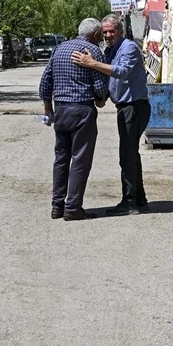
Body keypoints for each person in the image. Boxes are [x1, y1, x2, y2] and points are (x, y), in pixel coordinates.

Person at [71, 13, 150, 215]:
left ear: (121, 31)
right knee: (131, 153)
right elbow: (109, 78)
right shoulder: (110, 50)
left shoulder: (129, 48)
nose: (107, 35)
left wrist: (92, 63)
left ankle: (129, 203)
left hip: (134, 107)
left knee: (127, 155)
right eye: (105, 32)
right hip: (124, 107)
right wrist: (102, 96)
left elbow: (121, 72)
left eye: (111, 31)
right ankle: (139, 198)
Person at [39, 18, 109, 221]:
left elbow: (46, 80)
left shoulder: (59, 48)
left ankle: (57, 206)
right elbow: (99, 85)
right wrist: (101, 99)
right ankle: (73, 207)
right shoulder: (93, 52)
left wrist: (48, 109)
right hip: (82, 111)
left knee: (61, 159)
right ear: (96, 35)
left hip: (60, 110)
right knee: (80, 159)